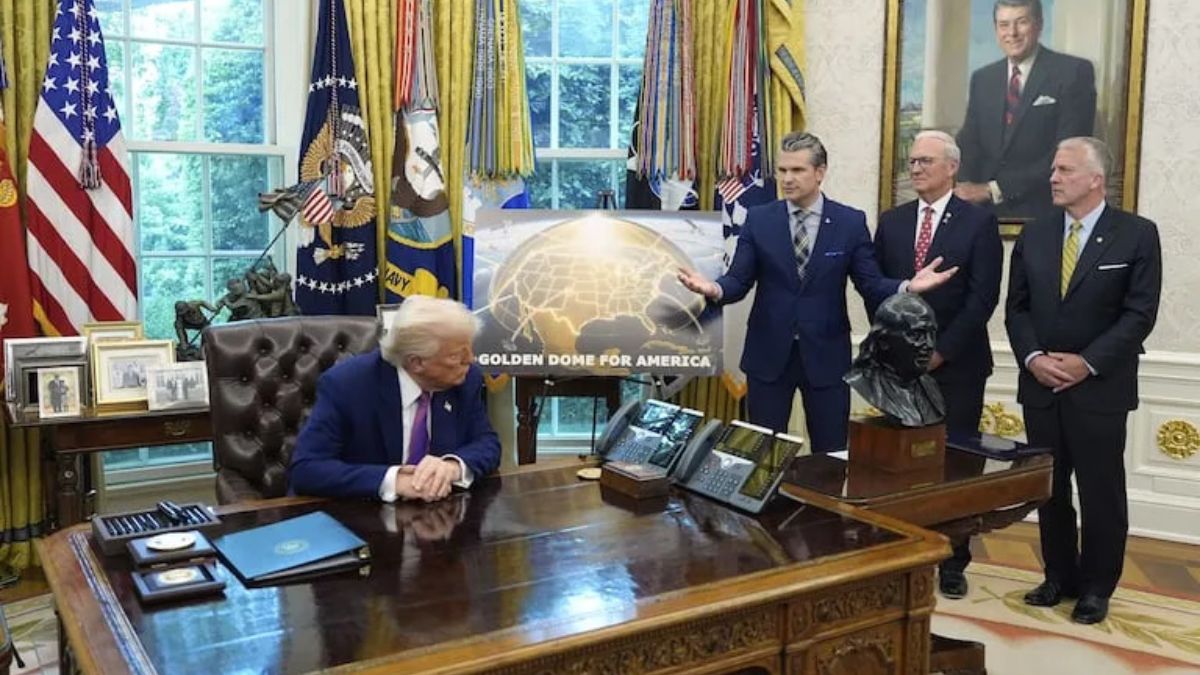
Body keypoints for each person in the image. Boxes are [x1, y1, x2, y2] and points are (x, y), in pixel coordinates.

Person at [677, 131, 958, 452]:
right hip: (769, 357)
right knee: (760, 453)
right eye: (783, 170)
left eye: (797, 170)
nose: (787, 179)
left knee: (831, 452)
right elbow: (738, 281)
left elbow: (870, 283)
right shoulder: (759, 219)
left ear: (820, 172)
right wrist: (713, 288)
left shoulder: (849, 222)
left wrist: (907, 286)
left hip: (826, 358)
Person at [1006, 136, 1161, 624]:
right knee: (1049, 490)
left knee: (1101, 492)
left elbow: (1139, 314)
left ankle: (1097, 587)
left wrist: (1087, 363)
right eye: (1054, 169)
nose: (1053, 177)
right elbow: (1017, 309)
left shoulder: (1136, 234)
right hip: (1041, 386)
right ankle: (1058, 576)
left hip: (1099, 388)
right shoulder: (1035, 234)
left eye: (1065, 170)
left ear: (1096, 179)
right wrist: (1033, 358)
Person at [873, 130, 1003, 599]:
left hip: (958, 366)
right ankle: (901, 553)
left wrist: (941, 351)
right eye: (911, 161)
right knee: (900, 463)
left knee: (956, 465)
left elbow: (983, 297)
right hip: (899, 368)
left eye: (925, 160)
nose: (915, 168)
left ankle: (952, 560)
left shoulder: (978, 222)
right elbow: (878, 287)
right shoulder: (892, 222)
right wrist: (899, 348)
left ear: (952, 167)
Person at [290, 296, 501, 502]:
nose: (470, 360)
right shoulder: (347, 385)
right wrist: (394, 481)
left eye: (469, 350)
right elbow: (306, 469)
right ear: (416, 362)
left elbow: (487, 443)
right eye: (455, 356)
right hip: (360, 513)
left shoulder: (466, 379)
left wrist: (453, 466)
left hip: (438, 512)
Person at [955, 0, 1096, 219]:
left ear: (1039, 25)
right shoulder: (983, 78)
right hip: (982, 214)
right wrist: (962, 188)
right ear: (995, 29)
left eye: (1021, 22)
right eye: (1004, 25)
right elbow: (969, 142)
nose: (1012, 33)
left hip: (1044, 213)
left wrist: (994, 190)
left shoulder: (1073, 72)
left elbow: (1069, 152)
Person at [844, 293, 945, 429]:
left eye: (932, 334)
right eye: (916, 335)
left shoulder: (930, 387)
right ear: (884, 341)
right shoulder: (865, 382)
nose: (929, 344)